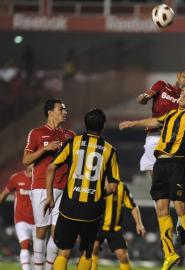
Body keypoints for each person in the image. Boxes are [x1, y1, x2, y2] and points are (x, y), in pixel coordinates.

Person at [119, 79, 185, 270]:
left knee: (180, 209)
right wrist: (134, 123)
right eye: (182, 93)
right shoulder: (171, 113)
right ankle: (170, 254)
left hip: (176, 164)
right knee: (161, 211)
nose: (182, 95)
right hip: (160, 165)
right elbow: (155, 120)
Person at [43, 108, 121, 270]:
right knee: (86, 252)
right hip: (92, 210)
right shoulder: (110, 150)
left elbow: (51, 168)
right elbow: (113, 186)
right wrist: (98, 191)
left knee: (63, 252)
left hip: (69, 207)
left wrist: (49, 196)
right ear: (103, 127)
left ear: (86, 125)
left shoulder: (73, 142)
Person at [22, 98, 75, 270]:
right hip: (41, 187)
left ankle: (49, 267)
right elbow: (25, 160)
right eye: (61, 109)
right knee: (41, 231)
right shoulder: (36, 133)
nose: (65, 112)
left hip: (63, 188)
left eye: (65, 109)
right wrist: (45, 149)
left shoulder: (70, 135)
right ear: (50, 111)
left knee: (57, 232)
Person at [135, 68, 185, 177]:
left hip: (175, 140)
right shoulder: (161, 86)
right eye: (184, 76)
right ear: (178, 75)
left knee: (176, 178)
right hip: (155, 136)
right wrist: (143, 97)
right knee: (157, 178)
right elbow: (145, 97)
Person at [91, 182, 146, 270]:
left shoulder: (122, 187)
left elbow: (133, 206)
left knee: (123, 256)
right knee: (93, 248)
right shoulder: (95, 183)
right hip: (96, 226)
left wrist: (139, 224)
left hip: (115, 228)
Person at [0, 165, 35, 270]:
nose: (33, 164)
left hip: (38, 220)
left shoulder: (41, 179)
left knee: (39, 249)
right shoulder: (16, 178)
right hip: (21, 219)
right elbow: (5, 193)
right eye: (31, 161)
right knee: (25, 244)